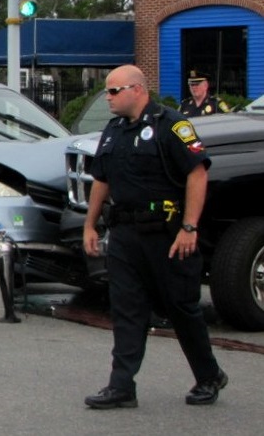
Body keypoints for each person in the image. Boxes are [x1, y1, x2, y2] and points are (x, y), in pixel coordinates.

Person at [82, 65, 227, 409]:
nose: (108, 98)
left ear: (137, 90)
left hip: (166, 234)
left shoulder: (172, 125)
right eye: (107, 91)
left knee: (181, 308)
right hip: (125, 234)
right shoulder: (114, 130)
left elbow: (197, 173)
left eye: (114, 91)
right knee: (126, 309)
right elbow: (102, 179)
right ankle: (121, 386)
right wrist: (90, 224)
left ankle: (208, 375)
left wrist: (189, 227)